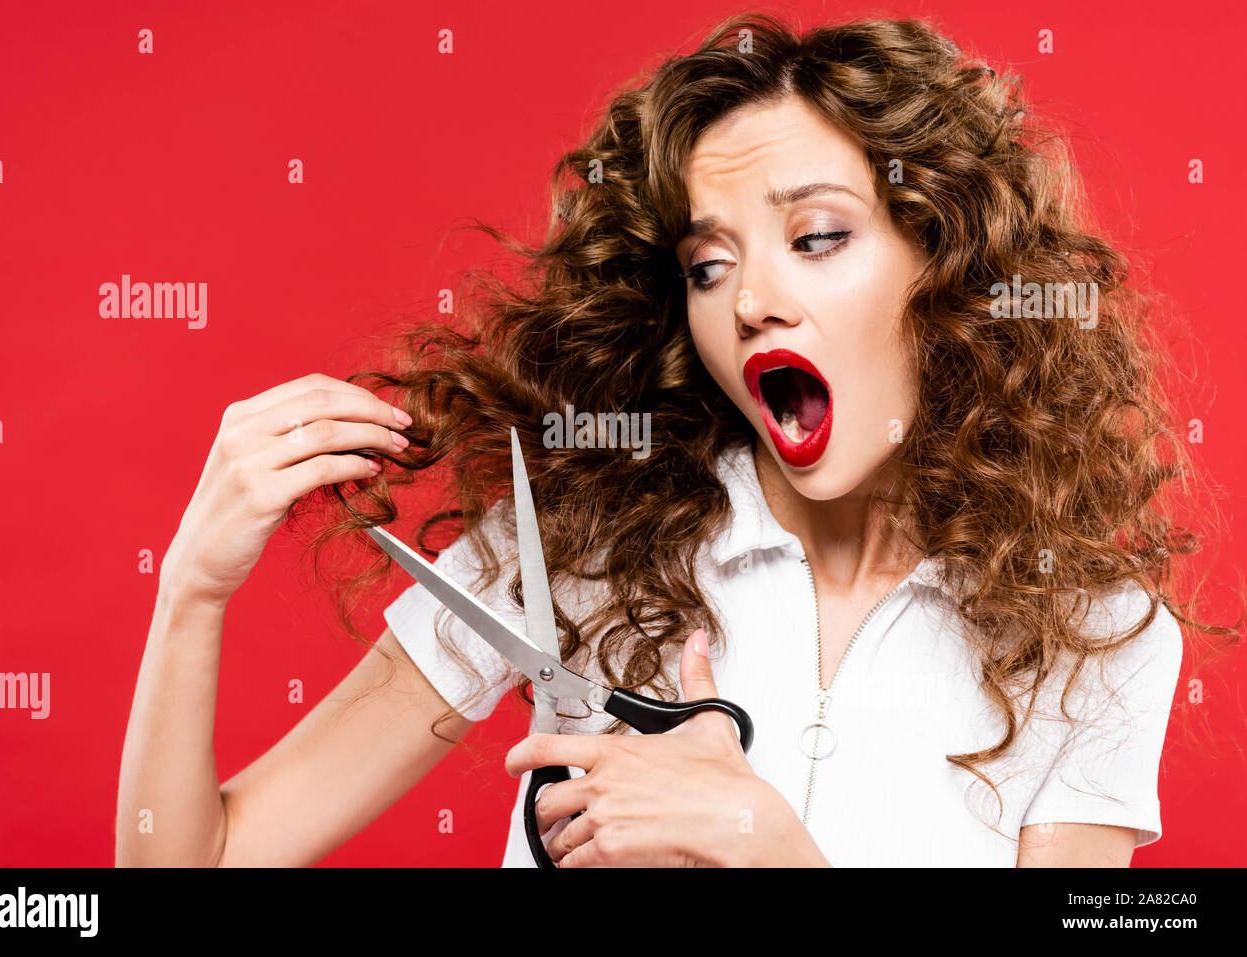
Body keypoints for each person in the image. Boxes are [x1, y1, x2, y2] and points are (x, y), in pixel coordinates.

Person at [116, 13, 1233, 867]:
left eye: (816, 237)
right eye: (708, 265)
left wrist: (765, 844)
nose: (751, 299)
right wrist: (191, 594)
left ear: (942, 265)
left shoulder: (1099, 637)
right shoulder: (571, 552)